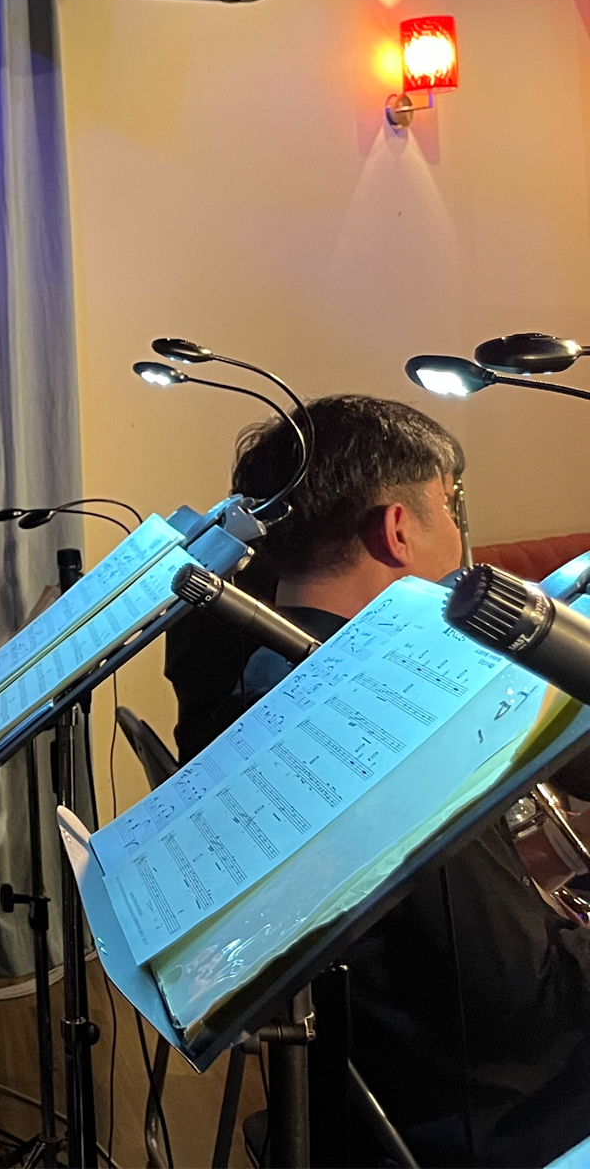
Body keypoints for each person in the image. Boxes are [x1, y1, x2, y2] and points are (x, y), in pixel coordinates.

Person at [203, 394, 590, 1167]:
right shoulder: (395, 714)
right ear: (398, 529)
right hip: (478, 1113)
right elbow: (517, 1005)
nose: (461, 539)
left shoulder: (257, 670)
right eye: (450, 508)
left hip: (356, 1083)